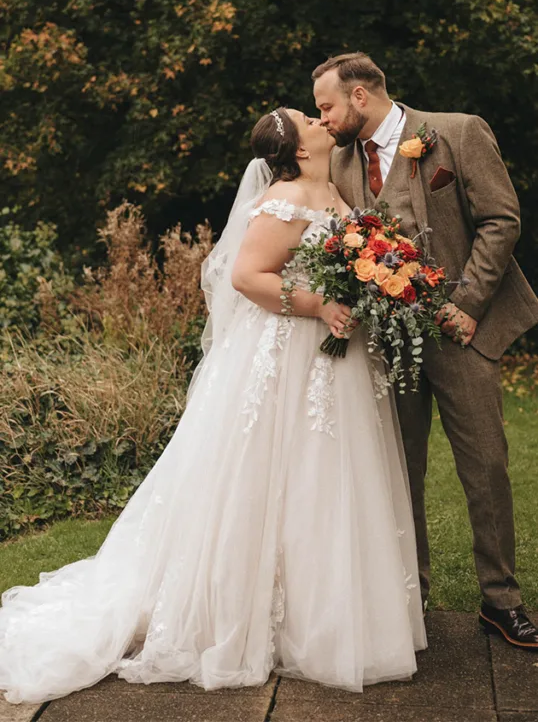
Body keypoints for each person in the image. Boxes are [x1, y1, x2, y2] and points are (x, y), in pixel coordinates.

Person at [0, 107, 426, 705]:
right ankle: (241, 615)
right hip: (286, 353)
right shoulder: (284, 200)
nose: (317, 118)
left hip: (331, 358)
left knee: (323, 478)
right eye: (308, 117)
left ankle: (322, 617)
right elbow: (247, 276)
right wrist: (320, 308)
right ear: (298, 149)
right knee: (268, 474)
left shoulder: (330, 185)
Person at [313, 51, 538, 650]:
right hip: (388, 341)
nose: (324, 120)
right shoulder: (336, 160)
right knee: (395, 470)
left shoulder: (457, 133)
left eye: (328, 107)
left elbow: (501, 219)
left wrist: (466, 303)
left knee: (485, 465)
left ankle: (501, 601)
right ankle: (409, 599)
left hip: (461, 331)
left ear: (360, 96)